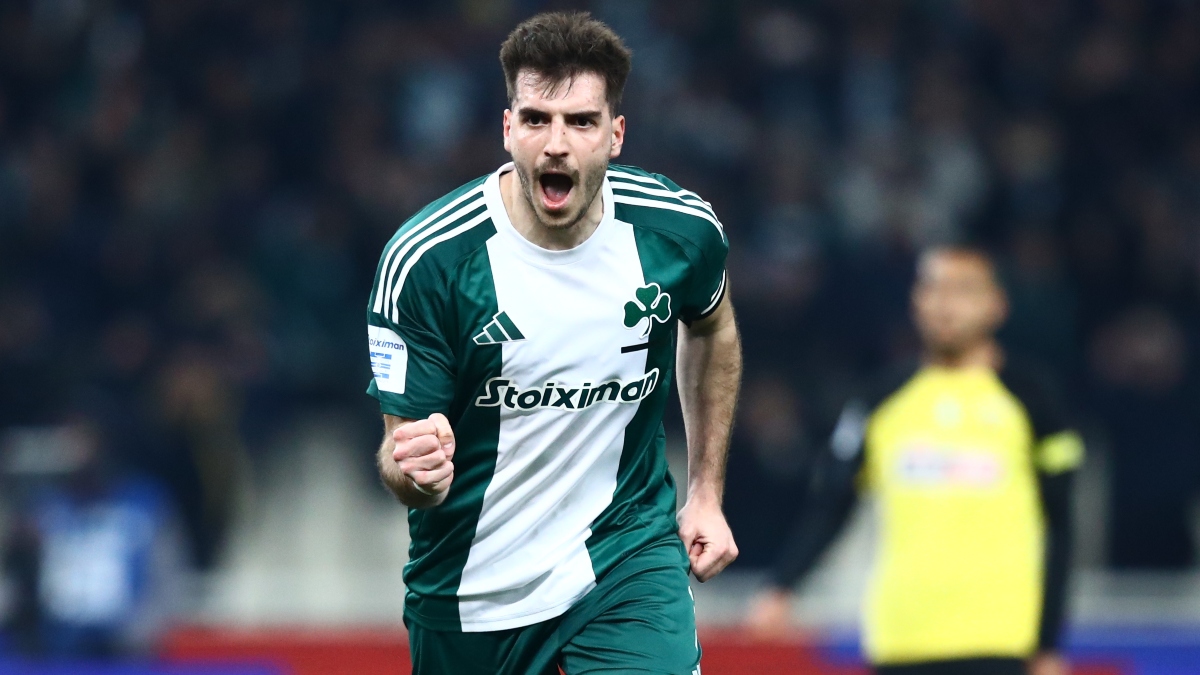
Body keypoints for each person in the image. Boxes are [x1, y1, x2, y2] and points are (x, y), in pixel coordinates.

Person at [365, 12, 741, 675]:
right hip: (473, 586)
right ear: (507, 128)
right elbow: (403, 459)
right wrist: (417, 472)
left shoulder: (679, 233)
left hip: (625, 557)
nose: (557, 145)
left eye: (581, 122)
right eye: (537, 119)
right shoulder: (426, 263)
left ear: (616, 134)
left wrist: (706, 490)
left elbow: (711, 327)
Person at [747, 247, 1082, 675]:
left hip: (999, 641)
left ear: (997, 305)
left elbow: (1061, 525)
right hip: (900, 641)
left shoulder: (1034, 399)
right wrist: (783, 586)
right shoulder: (879, 399)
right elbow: (833, 504)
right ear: (915, 300)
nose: (946, 304)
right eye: (934, 288)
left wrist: (1048, 644)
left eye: (963, 290)